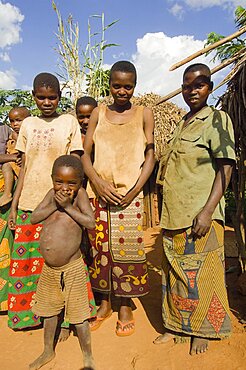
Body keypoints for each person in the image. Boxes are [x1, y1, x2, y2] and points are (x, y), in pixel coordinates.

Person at [154, 63, 235, 355]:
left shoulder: (217, 120)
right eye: (187, 86)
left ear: (210, 88)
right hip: (174, 212)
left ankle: (202, 331)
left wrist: (207, 210)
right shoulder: (182, 123)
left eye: (199, 85)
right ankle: (175, 326)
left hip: (201, 212)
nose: (192, 91)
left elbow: (226, 166)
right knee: (175, 272)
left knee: (204, 273)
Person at [82, 60, 155, 336]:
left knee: (127, 253)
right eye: (117, 86)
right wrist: (98, 184)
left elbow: (151, 155)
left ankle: (124, 304)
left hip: (128, 197)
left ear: (135, 86)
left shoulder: (144, 114)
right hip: (99, 195)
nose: (122, 91)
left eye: (128, 86)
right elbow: (85, 155)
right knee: (100, 251)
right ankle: (105, 303)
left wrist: (136, 189)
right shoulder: (98, 114)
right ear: (109, 85)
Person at [7, 72, 83, 330]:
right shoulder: (27, 125)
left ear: (60, 97)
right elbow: (25, 166)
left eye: (52, 97)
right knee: (28, 263)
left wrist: (70, 202)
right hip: (30, 201)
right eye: (42, 97)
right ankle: (29, 318)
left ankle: (63, 321)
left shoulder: (69, 122)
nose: (47, 102)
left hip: (60, 205)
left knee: (59, 262)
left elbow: (75, 166)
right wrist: (16, 204)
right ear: (34, 97)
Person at [29, 155, 96, 370]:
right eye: (59, 181)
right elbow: (34, 217)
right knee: (48, 312)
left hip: (72, 268)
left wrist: (67, 206)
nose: (64, 188)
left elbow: (90, 222)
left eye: (71, 183)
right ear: (52, 179)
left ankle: (88, 357)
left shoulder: (80, 197)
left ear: (80, 183)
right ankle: (48, 350)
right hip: (50, 268)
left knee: (79, 316)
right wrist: (55, 204)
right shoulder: (51, 195)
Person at [0, 107, 30, 207]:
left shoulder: (6, 130)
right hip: (13, 163)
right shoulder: (13, 134)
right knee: (6, 166)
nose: (15, 124)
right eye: (12, 121)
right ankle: (7, 193)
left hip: (27, 166)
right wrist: (15, 158)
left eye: (18, 120)